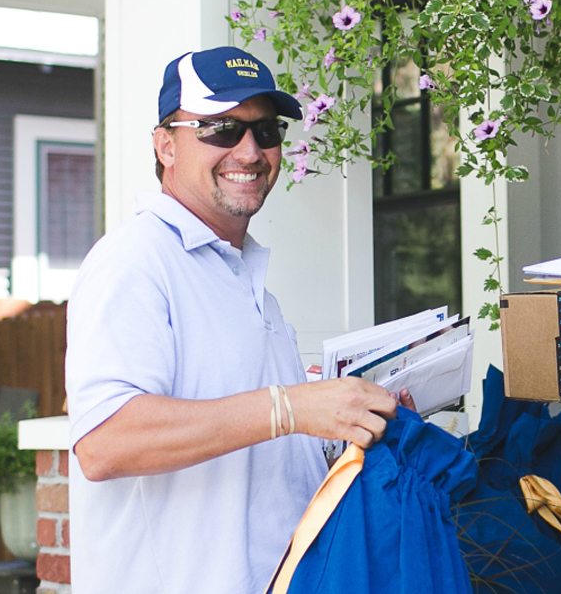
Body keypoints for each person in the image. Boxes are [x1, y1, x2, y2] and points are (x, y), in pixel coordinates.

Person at [66, 47, 413, 594]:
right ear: (165, 145)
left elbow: (258, 428)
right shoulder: (134, 261)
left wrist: (341, 413)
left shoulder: (241, 272)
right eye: (221, 129)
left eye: (266, 130)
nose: (249, 151)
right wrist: (291, 407)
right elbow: (105, 442)